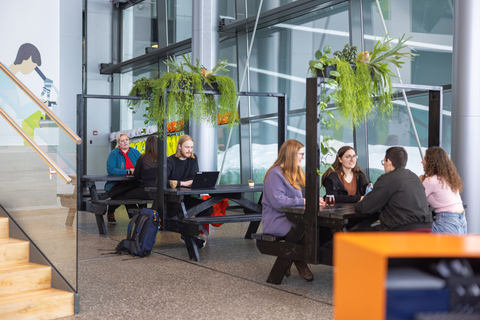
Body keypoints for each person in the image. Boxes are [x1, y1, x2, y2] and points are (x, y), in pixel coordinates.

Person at [262, 139, 325, 282]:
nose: (303, 157)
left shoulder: (297, 173)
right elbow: (278, 202)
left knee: (316, 228)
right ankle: (300, 261)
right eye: (301, 154)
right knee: (306, 229)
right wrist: (304, 202)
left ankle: (290, 260)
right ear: (291, 154)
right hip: (278, 220)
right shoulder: (275, 174)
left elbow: (307, 195)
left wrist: (317, 199)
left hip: (295, 218)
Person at [354, 146, 432, 231]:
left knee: (353, 234)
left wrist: (359, 204)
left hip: (400, 231)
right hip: (425, 229)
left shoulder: (387, 179)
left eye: (384, 161)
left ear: (389, 162)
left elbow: (366, 207)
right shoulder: (414, 177)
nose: (384, 165)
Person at [167, 134, 212, 248]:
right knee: (182, 212)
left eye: (191, 147)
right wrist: (184, 183)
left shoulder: (193, 158)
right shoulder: (170, 161)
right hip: (172, 200)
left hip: (187, 197)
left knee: (207, 208)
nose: (189, 150)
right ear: (179, 146)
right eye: (187, 147)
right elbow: (163, 181)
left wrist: (177, 182)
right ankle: (189, 236)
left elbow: (194, 177)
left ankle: (191, 234)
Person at [420, 147, 467, 235]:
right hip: (461, 220)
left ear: (431, 162)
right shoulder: (449, 179)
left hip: (446, 221)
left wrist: (420, 183)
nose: (422, 161)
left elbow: (418, 199)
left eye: (425, 159)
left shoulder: (430, 181)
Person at [104, 133, 141, 224]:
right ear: (119, 143)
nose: (125, 142)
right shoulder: (114, 153)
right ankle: (137, 216)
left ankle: (111, 211)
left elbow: (141, 167)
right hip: (117, 183)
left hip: (133, 183)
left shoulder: (135, 153)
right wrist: (128, 171)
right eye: (122, 141)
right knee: (125, 192)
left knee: (126, 193)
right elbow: (111, 170)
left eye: (126, 140)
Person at [120, 135, 158, 202]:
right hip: (161, 193)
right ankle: (142, 211)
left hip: (147, 191)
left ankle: (135, 212)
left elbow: (136, 175)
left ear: (147, 145)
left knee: (124, 195)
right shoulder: (164, 158)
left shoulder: (143, 158)